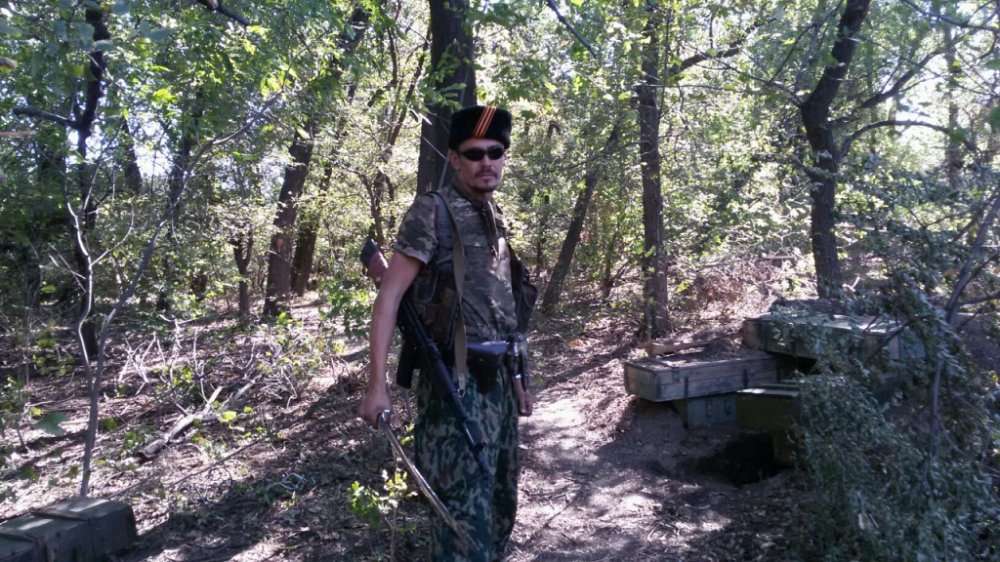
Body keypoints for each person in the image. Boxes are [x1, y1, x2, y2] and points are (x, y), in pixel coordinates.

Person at [358, 105, 533, 562]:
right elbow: (389, 298)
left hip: (499, 387)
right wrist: (377, 386)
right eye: (474, 154)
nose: (486, 162)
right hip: (456, 386)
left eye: (495, 152)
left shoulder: (494, 216)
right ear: (455, 159)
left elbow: (503, 309)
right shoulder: (431, 211)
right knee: (461, 526)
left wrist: (518, 379)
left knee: (500, 510)